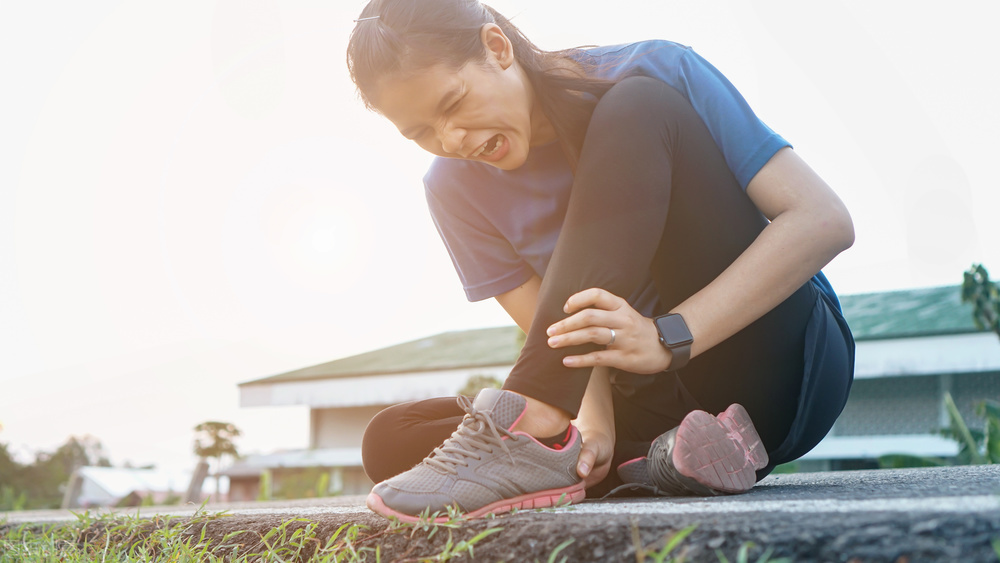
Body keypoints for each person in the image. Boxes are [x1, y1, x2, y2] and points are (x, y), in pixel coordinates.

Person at [347, 0, 856, 522]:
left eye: (453, 103)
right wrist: (593, 429)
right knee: (390, 440)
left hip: (775, 369)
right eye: (422, 133)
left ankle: (540, 425)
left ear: (496, 48)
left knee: (636, 107)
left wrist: (669, 336)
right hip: (646, 399)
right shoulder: (453, 189)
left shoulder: (654, 70)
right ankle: (652, 459)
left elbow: (824, 220)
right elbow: (556, 339)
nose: (450, 140)